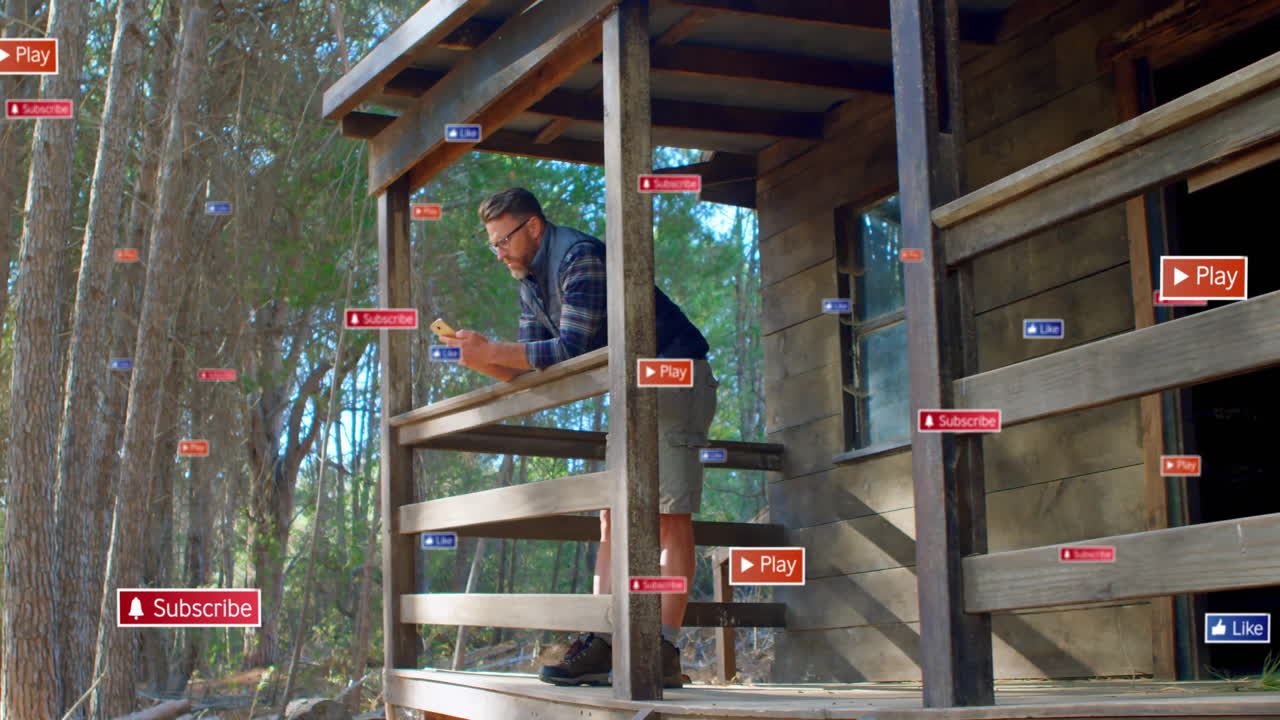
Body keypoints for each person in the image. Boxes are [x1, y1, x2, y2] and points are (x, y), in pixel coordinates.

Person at [439, 187, 718, 689]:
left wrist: (497, 350)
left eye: (503, 240)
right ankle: (605, 640)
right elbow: (537, 365)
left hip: (674, 374)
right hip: (628, 387)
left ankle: (664, 646)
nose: (498, 252)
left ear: (534, 228)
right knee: (610, 511)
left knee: (667, 511)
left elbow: (571, 346)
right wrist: (482, 357)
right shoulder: (528, 279)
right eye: (493, 245)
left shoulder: (579, 257)